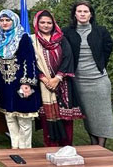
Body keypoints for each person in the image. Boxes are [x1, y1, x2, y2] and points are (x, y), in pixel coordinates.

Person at [62, 0, 113, 147]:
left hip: (99, 80)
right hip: (79, 81)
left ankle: (101, 146)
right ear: (75, 14)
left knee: (103, 115)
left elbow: (108, 48)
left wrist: (101, 65)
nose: (82, 14)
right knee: (89, 116)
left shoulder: (101, 31)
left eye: (85, 11)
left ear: (91, 14)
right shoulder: (67, 32)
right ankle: (93, 143)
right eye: (79, 11)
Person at [32, 10, 84, 147]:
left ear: (53, 24)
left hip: (63, 84)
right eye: (42, 22)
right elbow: (30, 61)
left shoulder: (61, 39)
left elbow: (68, 58)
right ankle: (51, 147)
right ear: (37, 23)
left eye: (49, 23)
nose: (46, 25)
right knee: (46, 119)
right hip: (44, 86)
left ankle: (67, 147)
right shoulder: (32, 40)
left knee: (65, 118)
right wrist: (44, 78)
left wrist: (57, 78)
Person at [0, 9, 40, 149]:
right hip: (4, 84)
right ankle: (15, 146)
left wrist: (27, 83)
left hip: (20, 82)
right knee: (9, 116)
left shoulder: (22, 37)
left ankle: (26, 148)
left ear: (14, 21)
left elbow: (30, 60)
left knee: (24, 117)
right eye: (2, 20)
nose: (4, 23)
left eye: (8, 20)